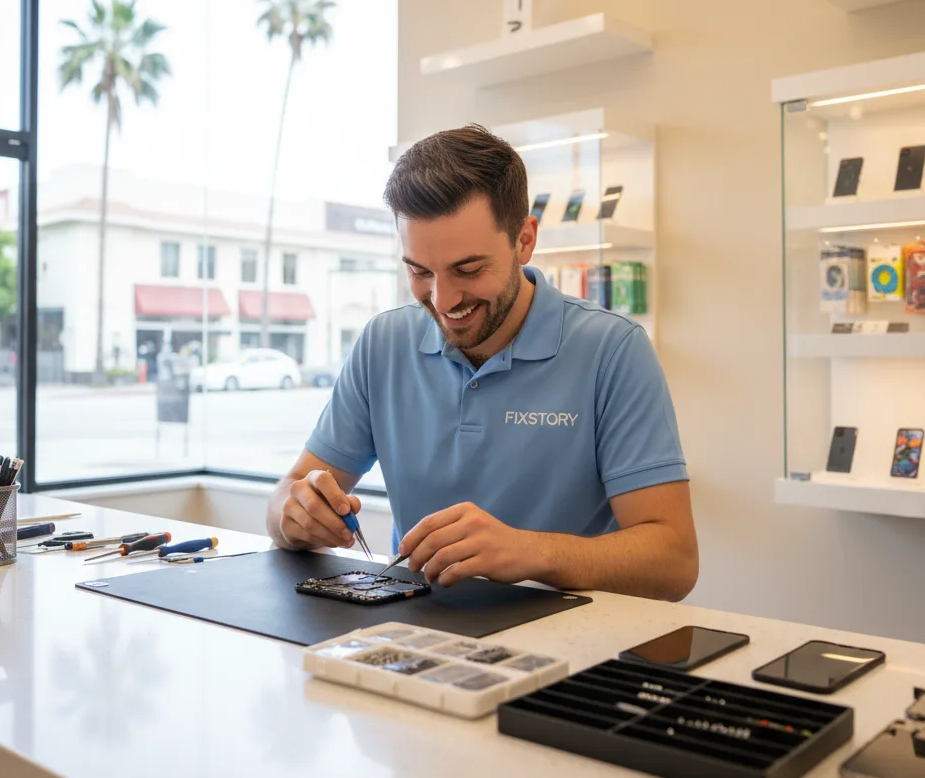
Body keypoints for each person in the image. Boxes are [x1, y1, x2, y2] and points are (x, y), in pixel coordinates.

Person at [267, 124, 698, 600]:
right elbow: (288, 495)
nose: (443, 299)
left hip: (570, 641)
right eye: (419, 271)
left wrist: (530, 552)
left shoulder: (613, 351)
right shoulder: (383, 343)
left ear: (524, 240)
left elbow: (674, 561)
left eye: (468, 270)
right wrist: (295, 513)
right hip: (416, 631)